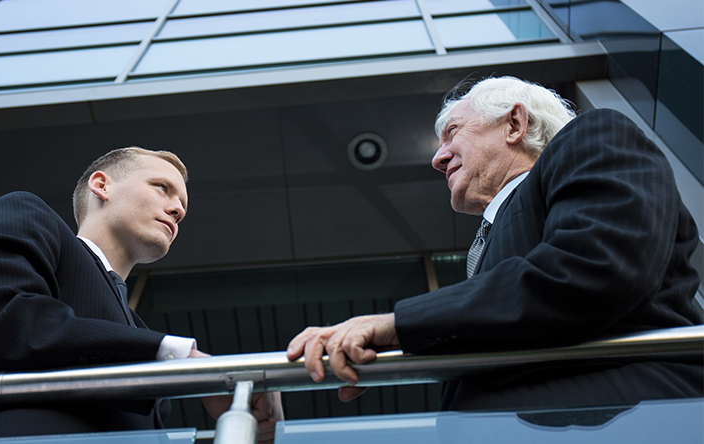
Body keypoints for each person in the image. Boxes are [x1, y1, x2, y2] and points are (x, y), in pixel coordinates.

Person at [287, 76, 704, 410]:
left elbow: (592, 268)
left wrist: (401, 325)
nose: (437, 158)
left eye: (452, 132)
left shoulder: (596, 137)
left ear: (515, 124)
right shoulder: (493, 241)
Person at [0, 147, 283, 439]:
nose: (178, 209)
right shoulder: (25, 213)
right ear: (102, 185)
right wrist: (180, 359)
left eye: (182, 206)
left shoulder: (137, 330)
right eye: (162, 188)